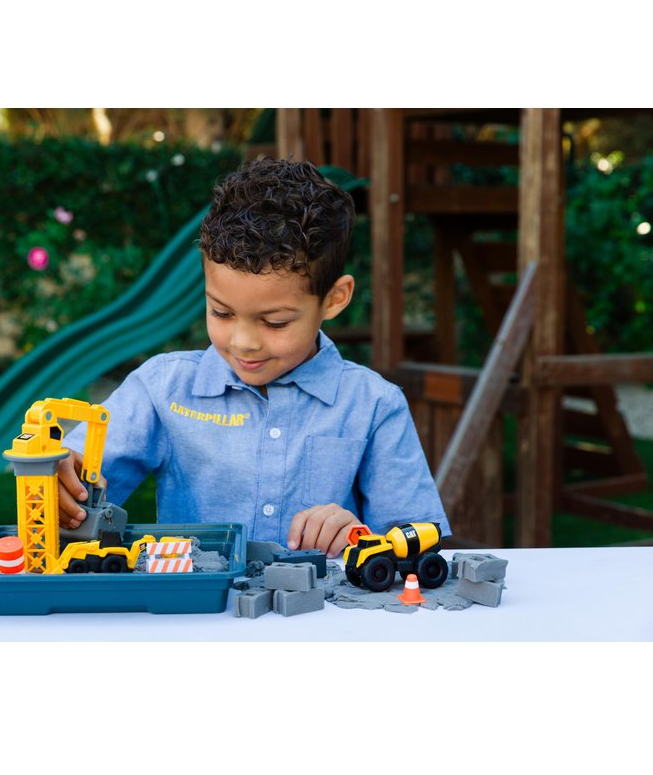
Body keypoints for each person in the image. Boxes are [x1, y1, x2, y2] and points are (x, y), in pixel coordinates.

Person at [59, 157, 451, 557]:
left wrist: (359, 535)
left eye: (275, 322)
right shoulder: (162, 389)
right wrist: (60, 479)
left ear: (335, 299)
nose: (244, 342)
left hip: (325, 599)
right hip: (198, 598)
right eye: (221, 313)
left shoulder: (374, 404)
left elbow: (419, 540)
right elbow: (74, 481)